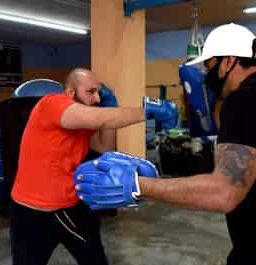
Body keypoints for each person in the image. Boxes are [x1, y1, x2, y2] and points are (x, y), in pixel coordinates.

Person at [76, 24, 256, 265]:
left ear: (228, 62)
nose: (206, 74)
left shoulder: (245, 99)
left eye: (209, 65)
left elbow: (224, 191)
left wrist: (137, 185)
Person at [9, 68, 177, 265]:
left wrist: (111, 105)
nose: (97, 98)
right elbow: (98, 117)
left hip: (71, 207)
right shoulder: (52, 103)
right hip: (32, 213)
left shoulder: (82, 124)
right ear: (71, 92)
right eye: (90, 92)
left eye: (98, 92)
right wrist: (145, 111)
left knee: (96, 261)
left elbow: (104, 145)